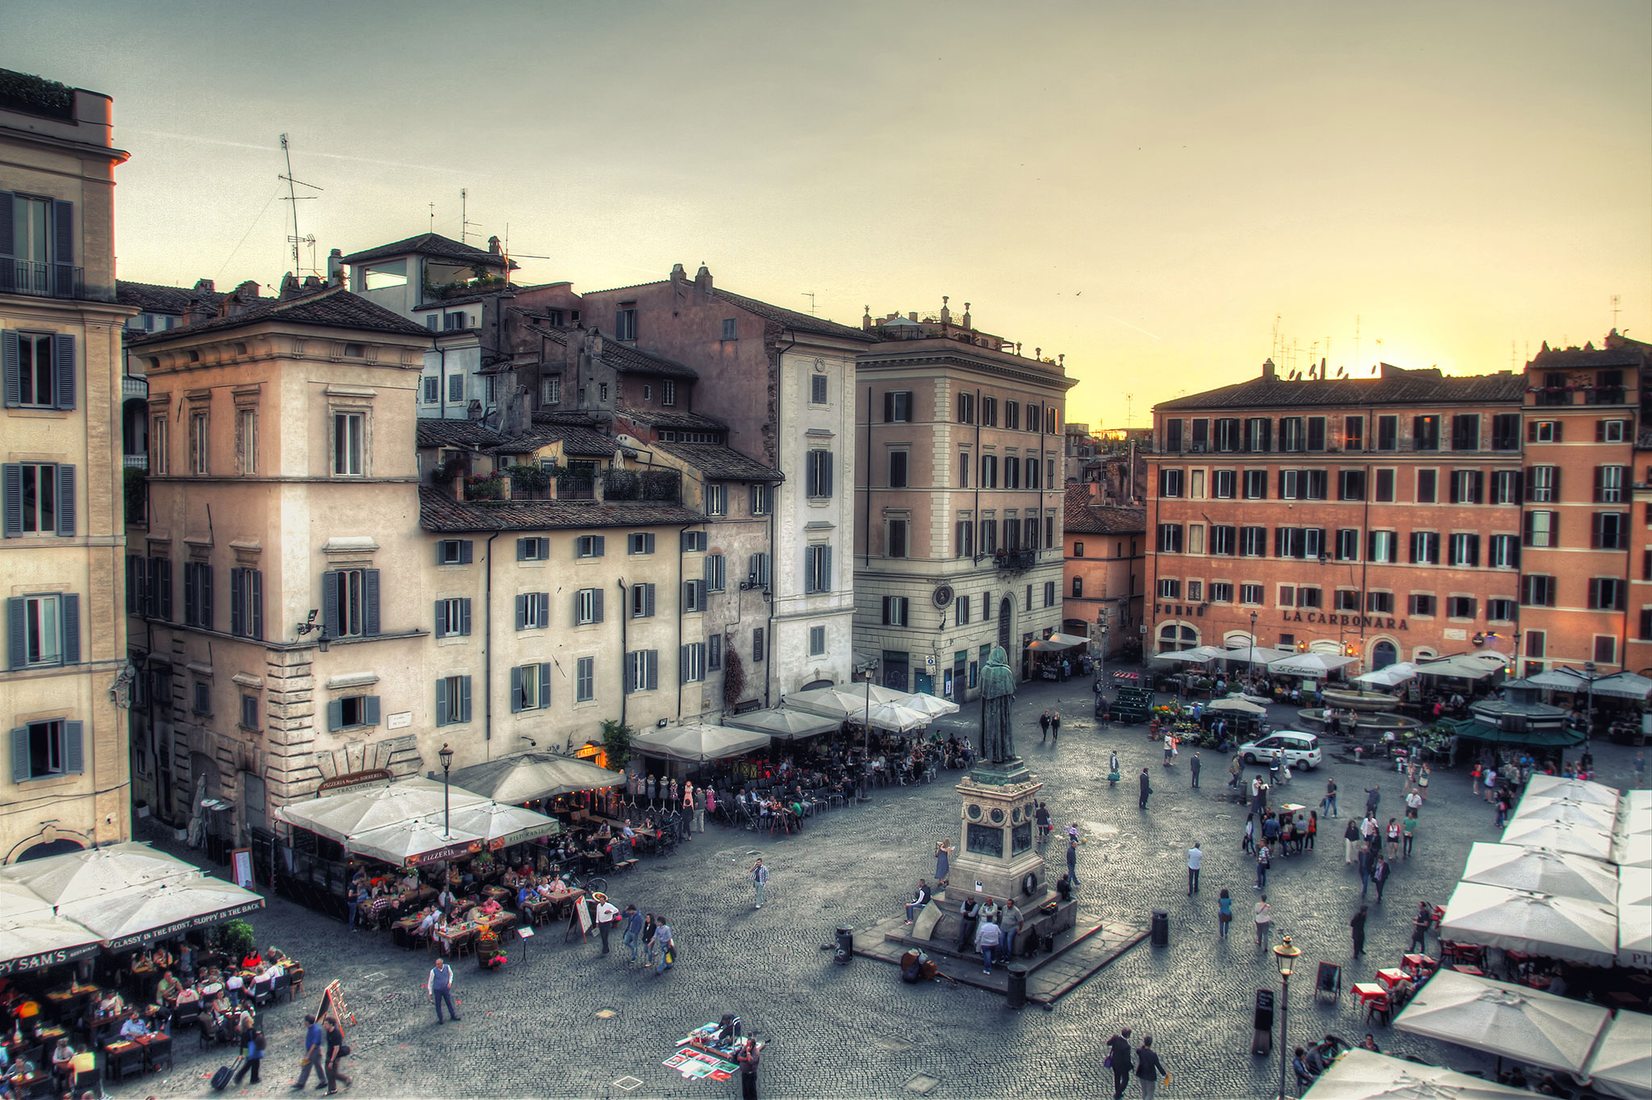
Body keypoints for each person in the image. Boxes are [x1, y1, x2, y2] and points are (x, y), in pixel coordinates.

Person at [292, 1014, 328, 1090]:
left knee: (317, 1066)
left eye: (305, 1021)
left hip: (314, 1051)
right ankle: (301, 1083)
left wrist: (308, 1054)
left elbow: (314, 1044)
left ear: (307, 1022)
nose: (304, 1022)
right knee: (306, 1066)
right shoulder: (313, 1027)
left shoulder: (315, 1030)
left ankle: (323, 1081)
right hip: (312, 1050)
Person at [323, 1015, 352, 1095]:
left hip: (334, 1056)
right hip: (329, 1054)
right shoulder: (328, 1031)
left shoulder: (336, 1034)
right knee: (329, 1072)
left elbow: (336, 1048)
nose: (324, 1026)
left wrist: (332, 1060)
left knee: (333, 1073)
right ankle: (332, 1089)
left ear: (331, 1024)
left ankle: (347, 1079)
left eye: (326, 1024)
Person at [426, 958, 459, 1025]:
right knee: (438, 1005)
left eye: (438, 964)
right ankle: (440, 1019)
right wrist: (430, 992)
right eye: (436, 964)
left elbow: (451, 974)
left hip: (445, 989)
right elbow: (430, 982)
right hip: (437, 990)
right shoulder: (433, 971)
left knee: (449, 1002)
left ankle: (453, 1015)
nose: (437, 965)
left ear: (441, 964)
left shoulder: (447, 967)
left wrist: (450, 982)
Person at [1134, 1034, 1166, 1100]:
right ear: (1151, 1043)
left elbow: (1138, 1050)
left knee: (1144, 1092)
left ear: (1144, 1042)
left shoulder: (1140, 1051)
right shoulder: (1153, 1055)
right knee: (1150, 1093)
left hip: (1141, 1074)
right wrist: (1164, 1074)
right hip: (1150, 1076)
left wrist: (1143, 1045)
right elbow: (1158, 1065)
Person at [1107, 1028, 1134, 1100]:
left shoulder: (1116, 1039)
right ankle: (1118, 1093)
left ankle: (1118, 1093)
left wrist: (1112, 1038)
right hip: (1122, 1066)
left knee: (1117, 1078)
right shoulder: (1126, 1046)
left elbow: (1108, 1043)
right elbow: (1127, 1059)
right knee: (1126, 1079)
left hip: (1114, 1063)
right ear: (1128, 1036)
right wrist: (1131, 1066)